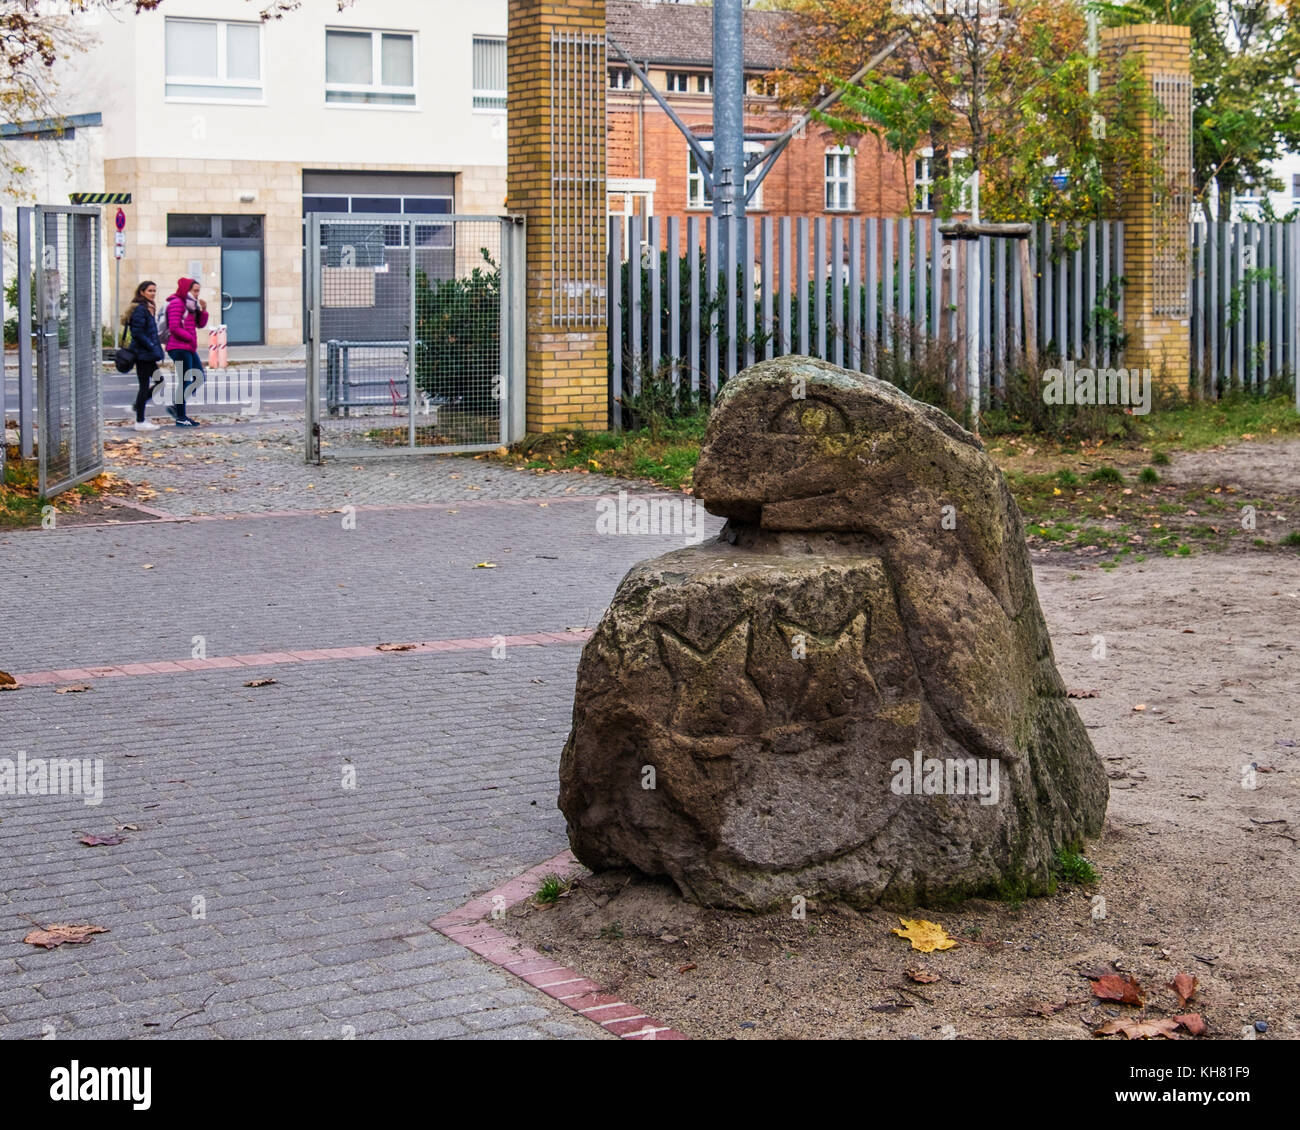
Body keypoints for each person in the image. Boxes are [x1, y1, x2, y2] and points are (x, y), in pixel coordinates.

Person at [164, 276, 209, 427]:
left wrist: (203, 310)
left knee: (200, 377)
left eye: (198, 291)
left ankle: (177, 407)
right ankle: (181, 416)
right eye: (195, 291)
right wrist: (189, 338)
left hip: (188, 347)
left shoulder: (192, 305)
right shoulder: (177, 303)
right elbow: (174, 327)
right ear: (186, 289)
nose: (197, 294)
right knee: (185, 380)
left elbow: (200, 324)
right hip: (178, 347)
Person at [122, 280, 165, 431]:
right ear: (142, 292)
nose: (153, 293)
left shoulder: (149, 307)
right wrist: (151, 346)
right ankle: (140, 421)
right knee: (146, 385)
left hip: (148, 353)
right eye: (150, 291)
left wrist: (155, 348)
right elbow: (138, 333)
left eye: (154, 291)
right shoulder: (140, 309)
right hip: (142, 354)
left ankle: (137, 408)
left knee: (159, 382)